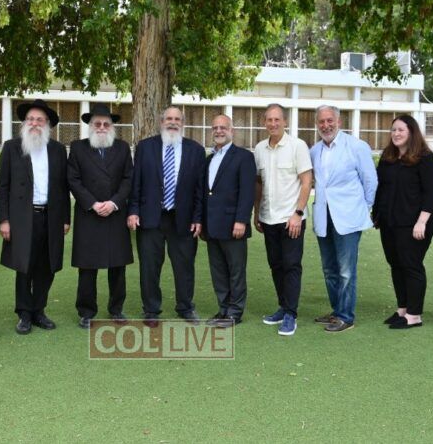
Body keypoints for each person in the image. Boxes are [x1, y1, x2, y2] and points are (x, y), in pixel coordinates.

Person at [0, 99, 71, 335]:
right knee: (24, 266)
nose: (34, 123)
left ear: (47, 123)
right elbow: (4, 187)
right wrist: (4, 220)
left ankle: (39, 310)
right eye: (30, 119)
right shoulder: (11, 147)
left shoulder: (58, 150)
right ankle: (24, 314)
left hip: (51, 216)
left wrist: (65, 219)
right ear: (24, 122)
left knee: (47, 266)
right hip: (22, 219)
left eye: (39, 119)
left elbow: (63, 188)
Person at [128, 106, 204, 326]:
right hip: (151, 217)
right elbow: (137, 183)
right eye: (169, 118)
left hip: (183, 219)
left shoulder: (195, 150)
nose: (173, 122)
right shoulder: (145, 147)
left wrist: (198, 218)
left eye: (177, 119)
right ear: (161, 122)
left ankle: (185, 307)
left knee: (185, 266)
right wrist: (133, 210)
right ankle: (151, 309)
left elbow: (200, 189)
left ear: (183, 123)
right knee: (149, 267)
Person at [310, 105, 377, 333]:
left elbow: (370, 181)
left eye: (330, 120)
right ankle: (337, 310)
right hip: (323, 216)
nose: (325, 125)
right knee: (329, 269)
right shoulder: (314, 150)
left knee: (346, 270)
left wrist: (364, 208)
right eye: (321, 122)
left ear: (339, 121)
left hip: (348, 217)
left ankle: (346, 316)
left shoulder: (357, 147)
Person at [67, 104, 133, 329]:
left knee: (118, 267)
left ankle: (116, 309)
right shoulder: (77, 148)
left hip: (115, 214)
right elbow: (73, 180)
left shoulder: (123, 148)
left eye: (106, 124)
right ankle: (86, 311)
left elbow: (128, 180)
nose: (102, 127)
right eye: (97, 123)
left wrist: (114, 203)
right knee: (87, 268)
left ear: (112, 126)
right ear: (90, 125)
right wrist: (93, 204)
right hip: (89, 215)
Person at [372, 115, 433, 330]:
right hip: (390, 222)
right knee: (396, 265)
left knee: (411, 266)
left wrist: (422, 222)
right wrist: (378, 214)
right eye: (393, 130)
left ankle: (414, 315)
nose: (396, 134)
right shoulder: (388, 157)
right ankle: (402, 309)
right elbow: (381, 187)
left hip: (415, 224)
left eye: (401, 130)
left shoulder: (425, 158)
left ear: (412, 132)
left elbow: (431, 193)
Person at [254, 104, 312, 336]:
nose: (273, 123)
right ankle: (282, 306)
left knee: (291, 266)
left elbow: (307, 182)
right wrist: (256, 211)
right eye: (269, 120)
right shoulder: (259, 149)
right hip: (268, 218)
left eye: (277, 119)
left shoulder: (298, 146)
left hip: (292, 219)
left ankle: (291, 314)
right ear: (264, 122)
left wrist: (298, 214)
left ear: (285, 122)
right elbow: (259, 183)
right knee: (276, 265)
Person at [201, 114, 256, 327]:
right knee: (218, 271)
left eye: (223, 127)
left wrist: (241, 220)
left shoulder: (243, 157)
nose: (218, 131)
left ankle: (235, 312)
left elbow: (247, 192)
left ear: (232, 131)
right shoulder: (209, 159)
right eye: (215, 127)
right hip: (212, 226)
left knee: (236, 271)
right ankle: (223, 309)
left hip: (234, 225)